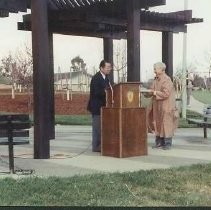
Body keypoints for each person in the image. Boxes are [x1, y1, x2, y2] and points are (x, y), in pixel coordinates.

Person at [147, 62, 178, 150]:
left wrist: (155, 92)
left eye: (155, 68)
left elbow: (166, 93)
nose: (154, 70)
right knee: (157, 123)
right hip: (158, 106)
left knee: (166, 124)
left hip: (166, 106)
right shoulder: (156, 79)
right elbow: (152, 90)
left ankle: (167, 144)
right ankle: (159, 143)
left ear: (161, 69)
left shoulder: (166, 80)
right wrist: (146, 92)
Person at [87, 60, 112, 152]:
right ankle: (96, 147)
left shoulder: (106, 78)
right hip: (97, 107)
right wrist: (106, 92)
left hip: (104, 107)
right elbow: (96, 92)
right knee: (97, 128)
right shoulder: (96, 78)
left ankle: (102, 145)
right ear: (101, 68)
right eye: (107, 67)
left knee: (102, 127)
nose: (109, 69)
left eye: (110, 67)